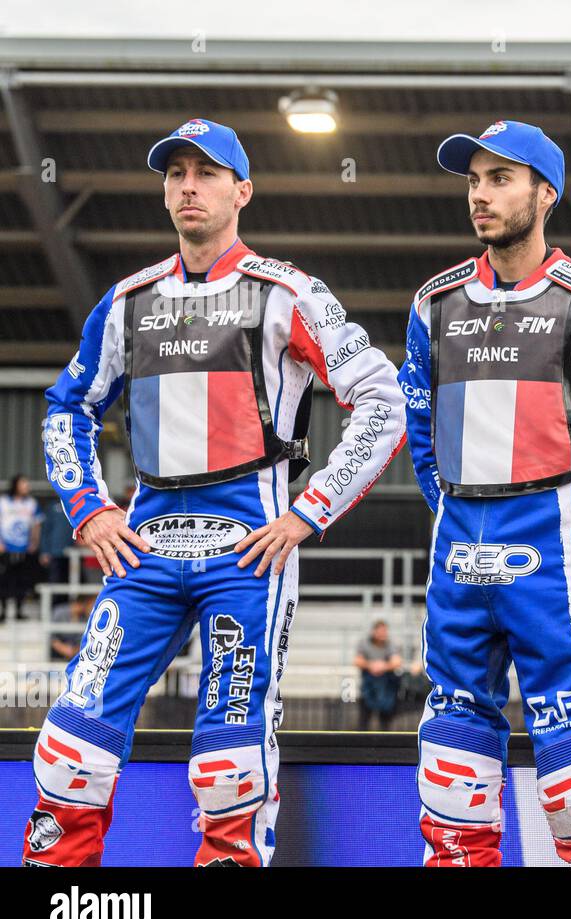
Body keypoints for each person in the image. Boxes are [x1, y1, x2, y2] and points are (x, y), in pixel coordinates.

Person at [26, 118, 406, 867]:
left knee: (230, 769)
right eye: (175, 174)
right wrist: (90, 507)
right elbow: (66, 406)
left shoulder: (288, 291)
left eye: (205, 173)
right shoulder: (128, 300)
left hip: (249, 555)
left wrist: (309, 510)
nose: (188, 187)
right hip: (144, 550)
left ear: (243, 191)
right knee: (70, 746)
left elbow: (384, 401)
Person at [400, 119, 571, 866]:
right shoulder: (433, 302)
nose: (481, 195)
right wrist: (455, 511)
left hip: (551, 548)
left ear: (545, 193)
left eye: (501, 179)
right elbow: (421, 433)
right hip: (458, 553)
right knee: (451, 777)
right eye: (475, 180)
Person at [0, 475, 45, 621]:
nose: (27, 486)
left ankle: (19, 611)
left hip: (24, 548)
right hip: (5, 547)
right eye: (23, 483)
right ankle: (4, 612)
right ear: (16, 485)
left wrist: (34, 542)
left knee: (22, 581)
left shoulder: (31, 503)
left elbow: (37, 524)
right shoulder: (4, 502)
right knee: (4, 580)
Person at [353, 620, 403, 731]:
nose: (383, 634)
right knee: (364, 719)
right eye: (380, 631)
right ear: (374, 631)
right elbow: (357, 661)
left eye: (384, 631)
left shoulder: (390, 644)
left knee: (385, 719)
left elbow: (397, 661)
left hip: (386, 687)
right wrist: (371, 665)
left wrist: (383, 666)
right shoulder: (364, 643)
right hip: (369, 687)